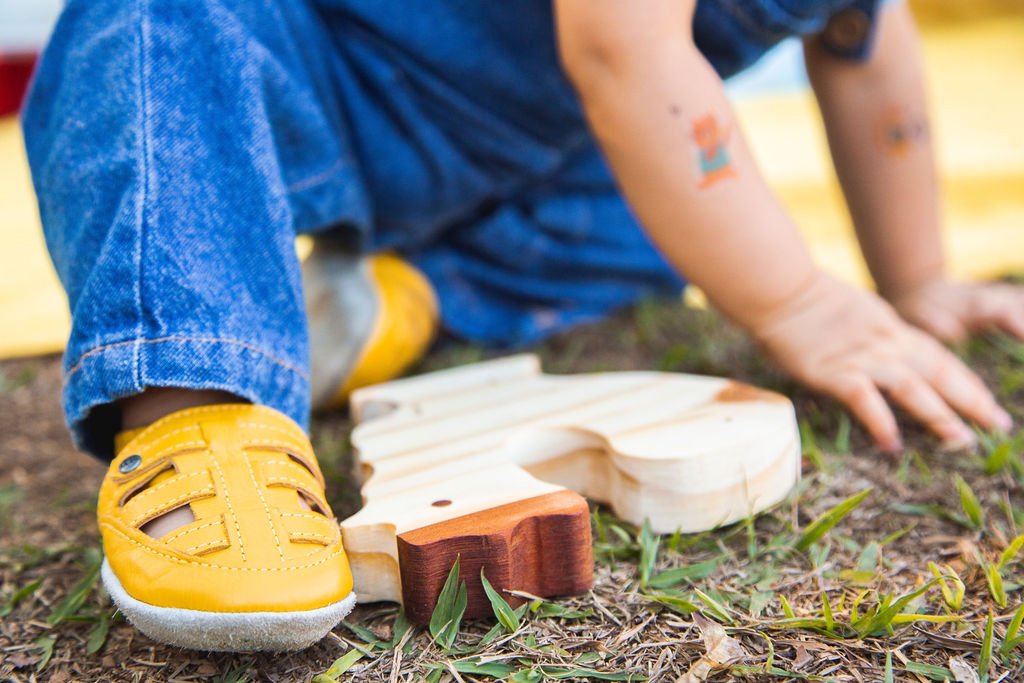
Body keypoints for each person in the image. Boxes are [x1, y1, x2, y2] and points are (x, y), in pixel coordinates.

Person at [22, 0, 1024, 652]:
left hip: (538, 146)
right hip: (324, 72)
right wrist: (802, 301)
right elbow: (622, 51)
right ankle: (197, 394)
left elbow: (863, 38)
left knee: (664, 225)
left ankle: (397, 302)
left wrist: (918, 276)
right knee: (152, 24)